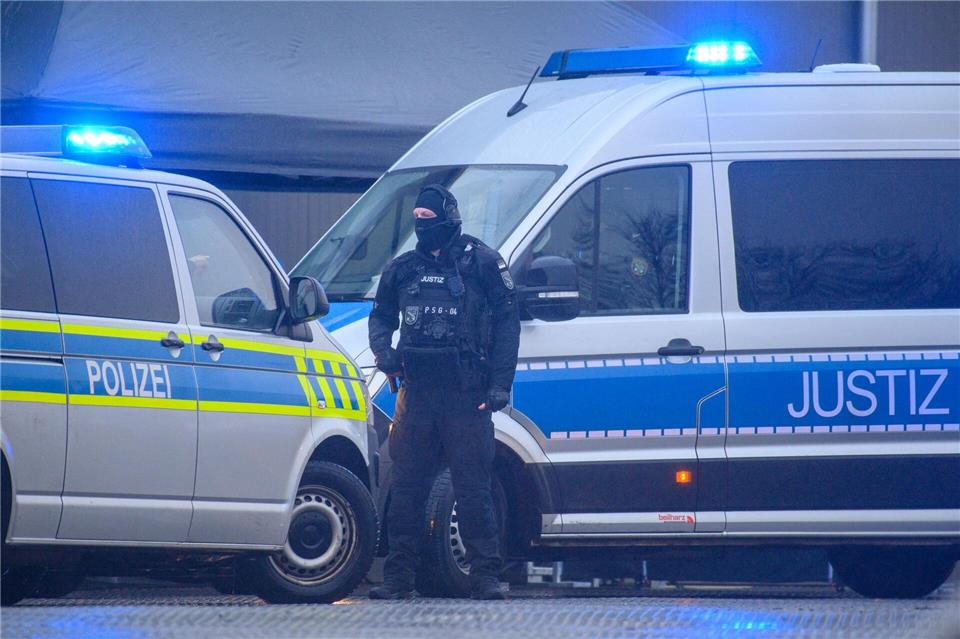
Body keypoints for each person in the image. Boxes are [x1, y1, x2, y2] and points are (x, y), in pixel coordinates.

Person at [367, 184, 521, 600]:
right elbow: (380, 316)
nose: (422, 227)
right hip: (416, 396)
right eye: (417, 220)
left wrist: (500, 385)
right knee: (407, 488)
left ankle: (486, 577)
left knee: (472, 488)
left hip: (467, 395)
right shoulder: (402, 269)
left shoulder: (484, 263)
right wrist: (385, 355)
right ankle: (398, 579)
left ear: (449, 218)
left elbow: (509, 324)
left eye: (429, 220)